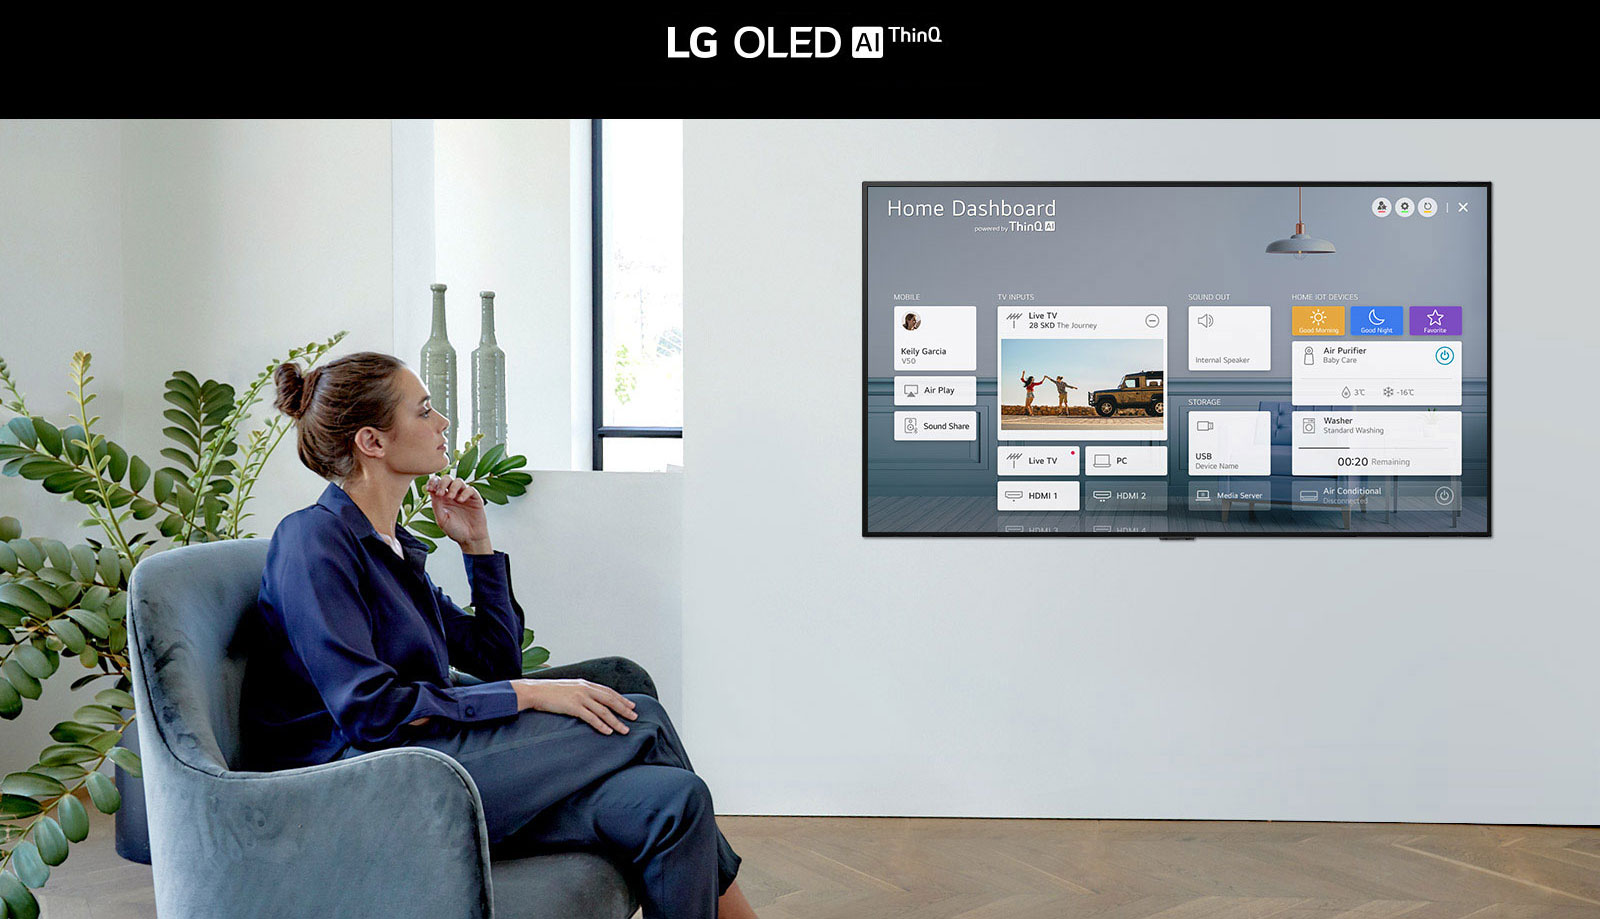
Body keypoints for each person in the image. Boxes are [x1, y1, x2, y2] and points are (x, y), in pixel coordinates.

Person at [238, 351, 753, 919]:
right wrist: (531, 694)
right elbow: (368, 710)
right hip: (367, 781)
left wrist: (477, 546)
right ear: (372, 442)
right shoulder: (313, 540)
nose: (443, 423)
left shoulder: (394, 548)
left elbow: (495, 657)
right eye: (425, 410)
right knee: (644, 717)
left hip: (434, 758)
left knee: (675, 802)